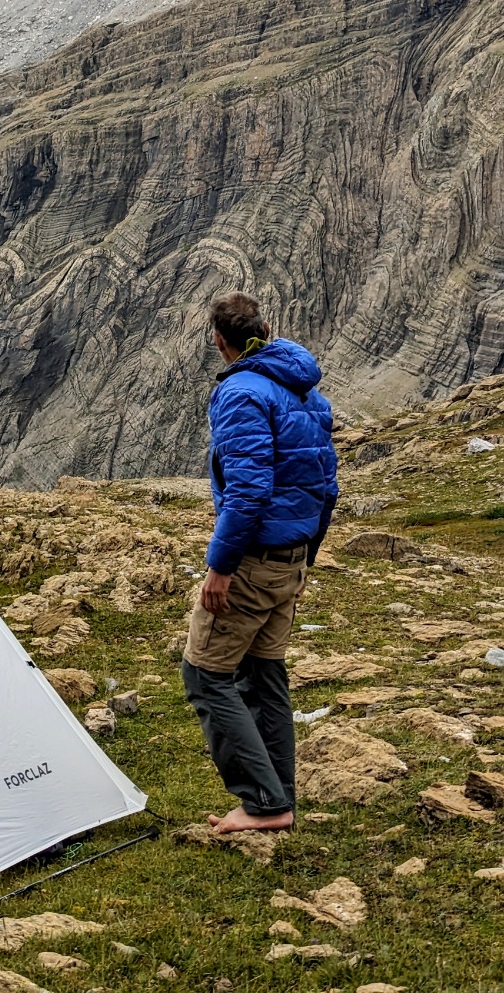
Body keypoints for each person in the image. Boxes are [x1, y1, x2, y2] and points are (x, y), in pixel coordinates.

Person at [181, 291, 338, 833]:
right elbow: (327, 484)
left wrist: (221, 567)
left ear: (219, 342)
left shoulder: (242, 393)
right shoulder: (308, 394)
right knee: (263, 673)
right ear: (266, 330)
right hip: (289, 562)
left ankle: (261, 803)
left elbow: (247, 491)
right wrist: (305, 558)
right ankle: (279, 799)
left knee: (205, 674)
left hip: (253, 561)